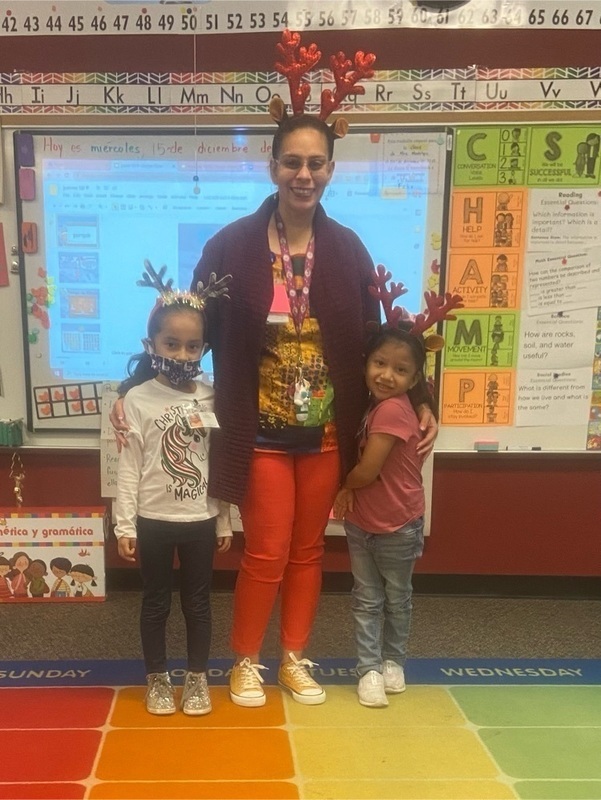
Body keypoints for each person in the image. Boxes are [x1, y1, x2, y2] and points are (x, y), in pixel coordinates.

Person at [112, 30, 438, 709]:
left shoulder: (346, 249)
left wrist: (421, 395)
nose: (304, 174)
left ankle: (292, 656)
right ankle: (244, 662)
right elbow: (185, 325)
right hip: (256, 435)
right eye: (292, 161)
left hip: (326, 436)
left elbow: (383, 337)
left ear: (330, 170)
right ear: (272, 167)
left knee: (309, 552)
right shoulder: (231, 245)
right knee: (264, 552)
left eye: (316, 163)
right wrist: (134, 382)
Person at [334, 274, 461, 707]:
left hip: (397, 525)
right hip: (364, 523)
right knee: (373, 599)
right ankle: (372, 668)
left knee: (388, 599)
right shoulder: (376, 405)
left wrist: (341, 487)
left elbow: (368, 471)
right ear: (366, 362)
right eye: (380, 363)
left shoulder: (390, 410)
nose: (387, 375)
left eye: (401, 370)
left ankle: (390, 663)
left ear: (414, 377)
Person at [113, 271, 232, 716]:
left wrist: (224, 519)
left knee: (198, 604)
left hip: (200, 520)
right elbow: (129, 467)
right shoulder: (137, 400)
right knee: (155, 602)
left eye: (192, 346)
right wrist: (124, 525)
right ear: (151, 345)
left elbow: (219, 464)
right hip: (153, 521)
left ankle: (197, 678)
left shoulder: (213, 397)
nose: (182, 354)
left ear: (204, 349)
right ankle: (158, 678)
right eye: (171, 344)